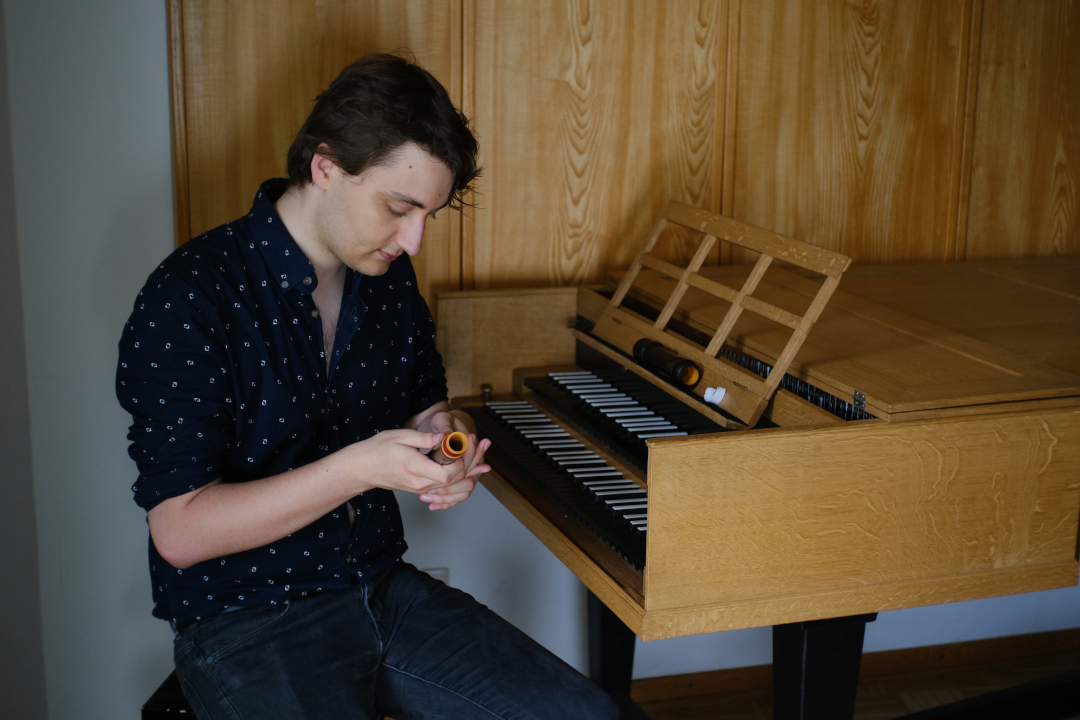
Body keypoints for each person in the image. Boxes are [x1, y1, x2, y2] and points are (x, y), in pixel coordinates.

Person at [117, 53, 619, 720]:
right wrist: (357, 469)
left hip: (379, 586)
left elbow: (428, 403)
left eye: (427, 216)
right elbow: (179, 532)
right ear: (325, 167)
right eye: (398, 207)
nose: (412, 241)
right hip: (244, 619)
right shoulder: (190, 295)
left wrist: (449, 441)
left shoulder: (386, 281)